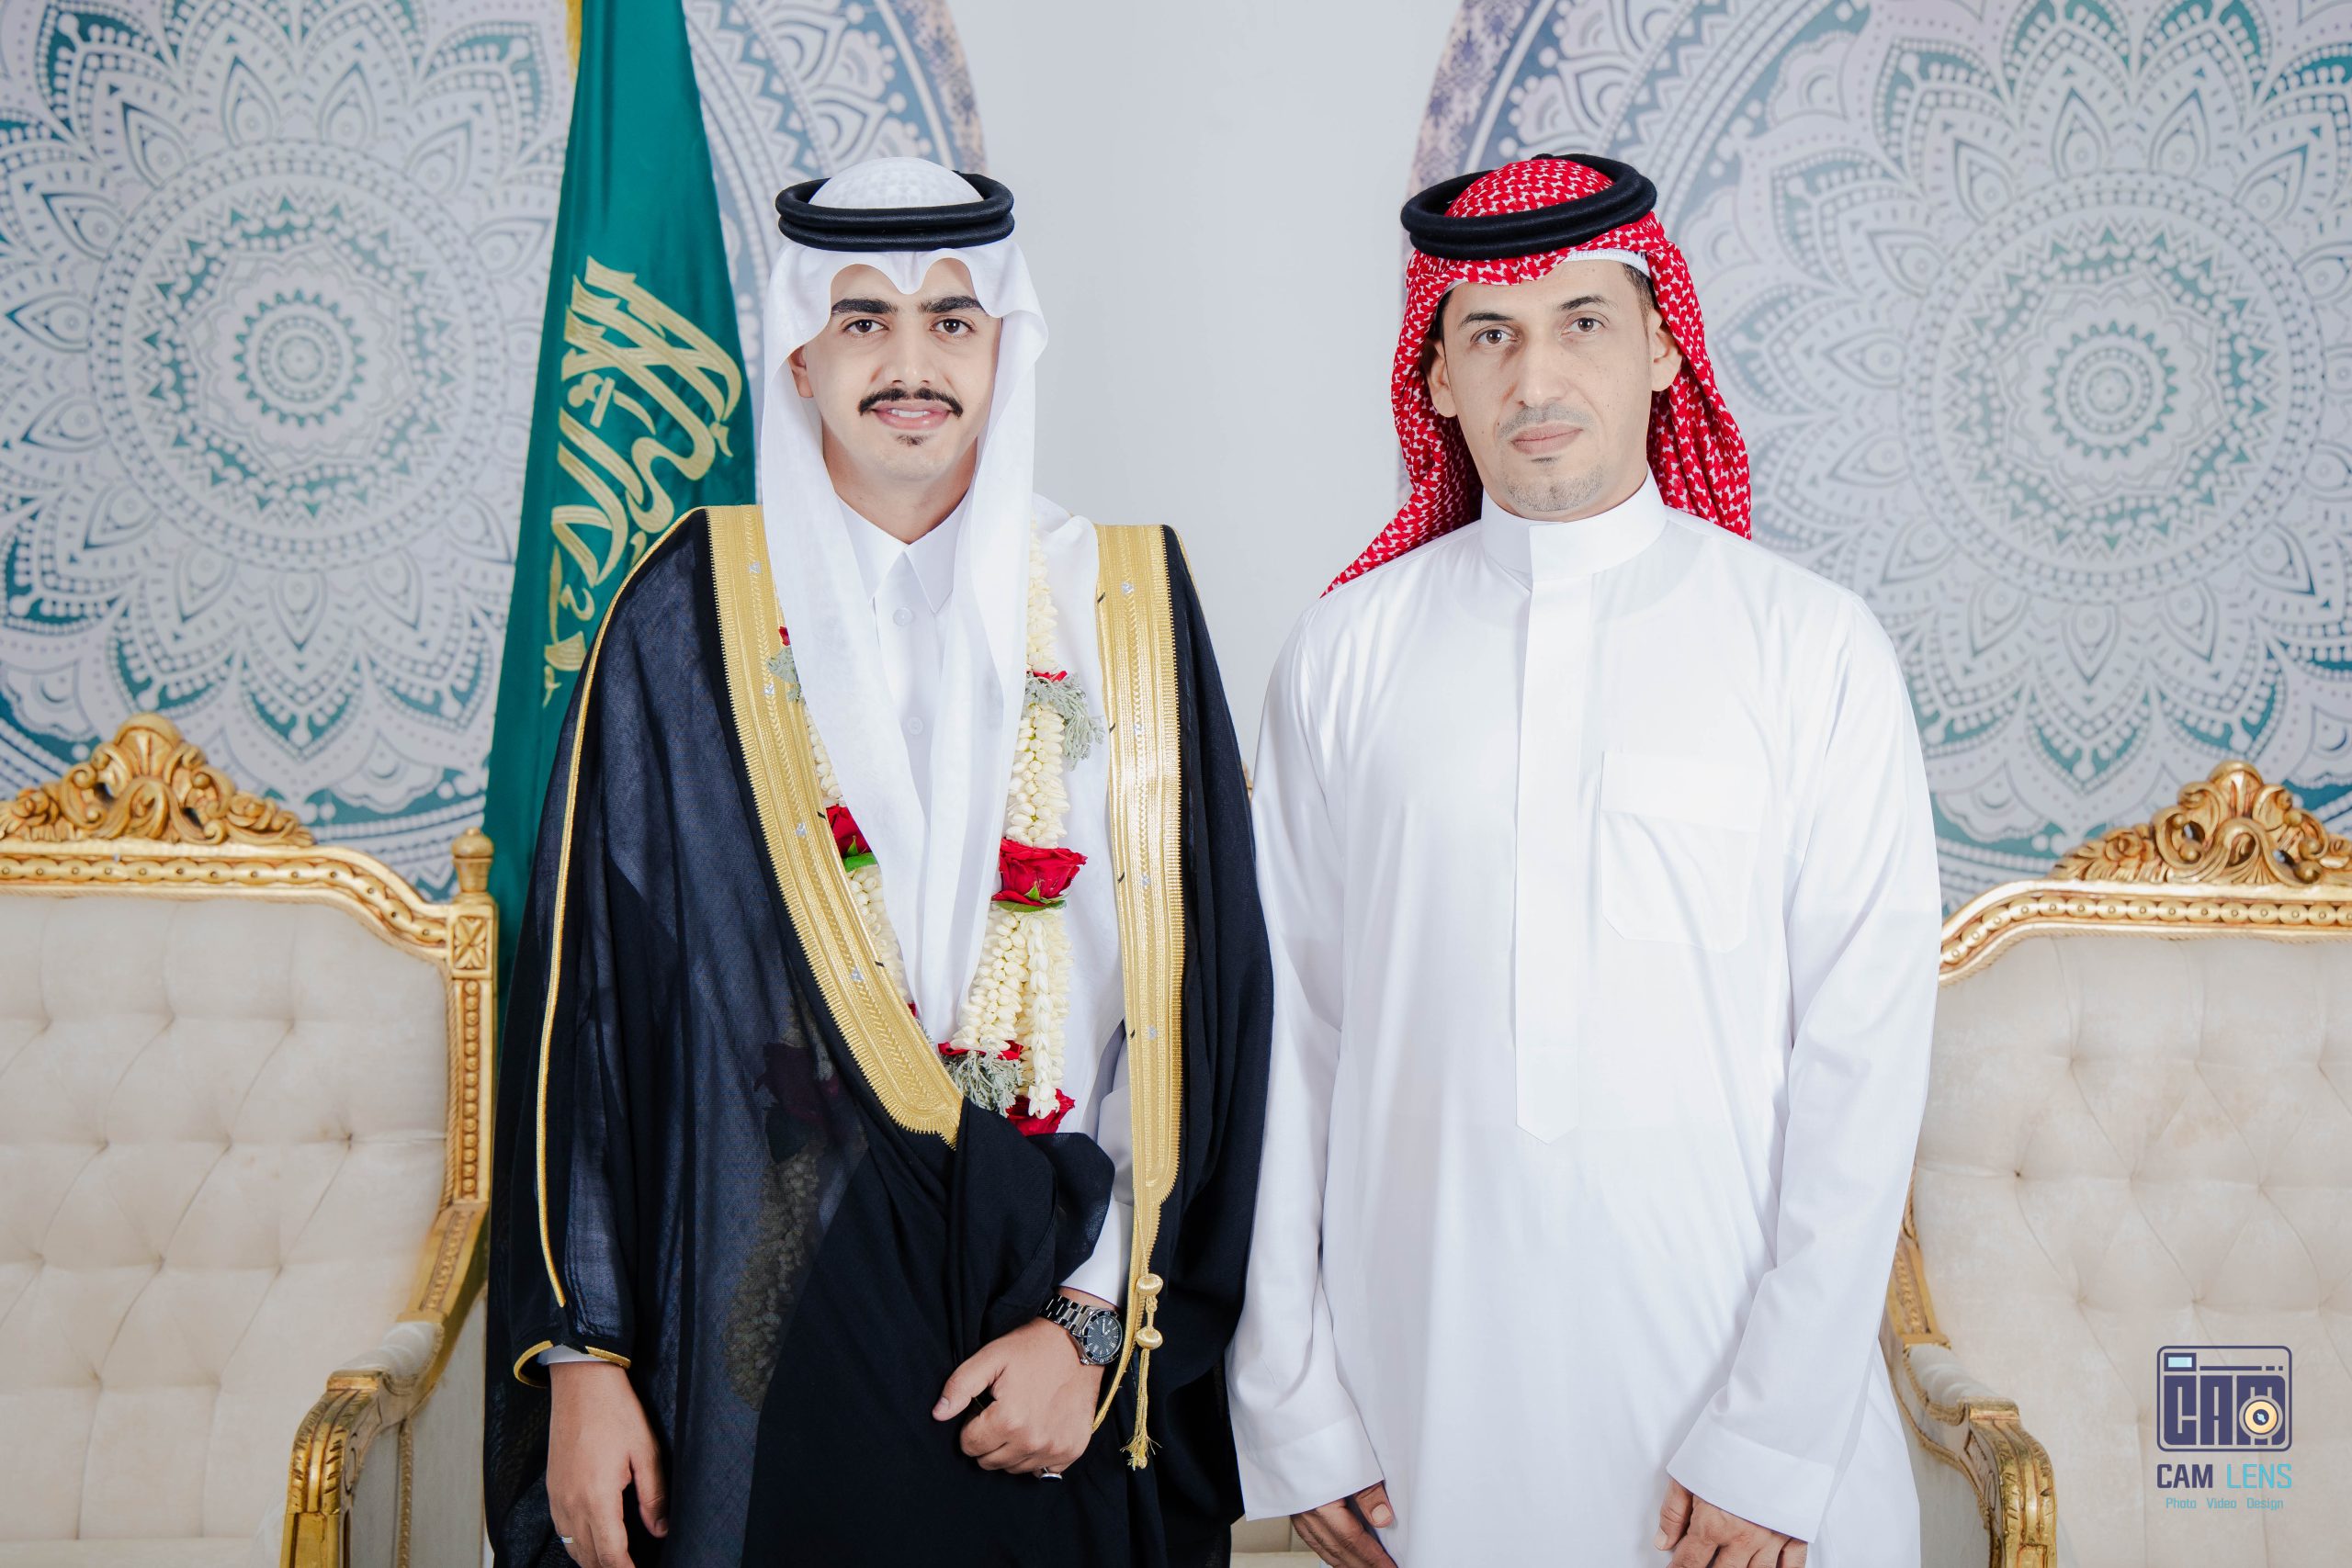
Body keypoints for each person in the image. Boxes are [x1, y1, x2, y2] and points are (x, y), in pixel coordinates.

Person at [484, 157, 1272, 1568]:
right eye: (863, 321)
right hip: (760, 1332)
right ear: (800, 351)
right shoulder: (685, 613)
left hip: (1046, 1335)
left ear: (1006, 346)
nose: (911, 365)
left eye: (952, 321)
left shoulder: (1127, 604)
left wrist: (1094, 1324)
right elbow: (585, 1016)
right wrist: (583, 1360)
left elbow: (1199, 1018)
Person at [1227, 154, 1938, 1567]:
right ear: (1437, 378)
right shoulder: (1346, 654)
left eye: (1584, 323)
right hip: (1424, 1402)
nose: (1535, 377)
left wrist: (1773, 1440)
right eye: (1490, 333)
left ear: (1665, 346)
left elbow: (1863, 1068)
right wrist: (1293, 1402)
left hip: (1744, 1435)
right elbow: (1288, 1045)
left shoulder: (1811, 649)